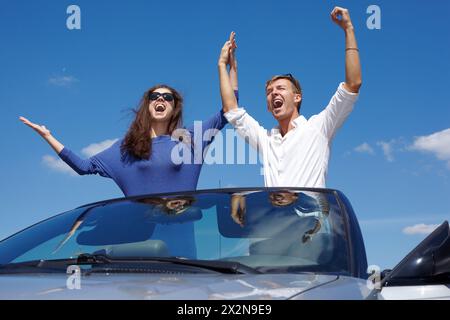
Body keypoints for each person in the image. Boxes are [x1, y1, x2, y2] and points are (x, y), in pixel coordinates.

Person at [20, 34, 238, 197]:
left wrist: (227, 66)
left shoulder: (191, 138)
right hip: (139, 242)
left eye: (167, 97)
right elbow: (84, 167)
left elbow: (230, 109)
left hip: (182, 243)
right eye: (155, 96)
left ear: (175, 108)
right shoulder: (126, 147)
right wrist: (47, 136)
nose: (161, 99)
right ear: (147, 104)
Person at [219, 7, 362, 188]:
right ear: (268, 107)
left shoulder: (318, 128)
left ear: (297, 97)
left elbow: (352, 85)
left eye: (280, 88)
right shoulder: (267, 140)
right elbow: (232, 110)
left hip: (310, 216)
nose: (274, 93)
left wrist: (348, 29)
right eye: (269, 92)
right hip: (274, 217)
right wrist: (226, 66)